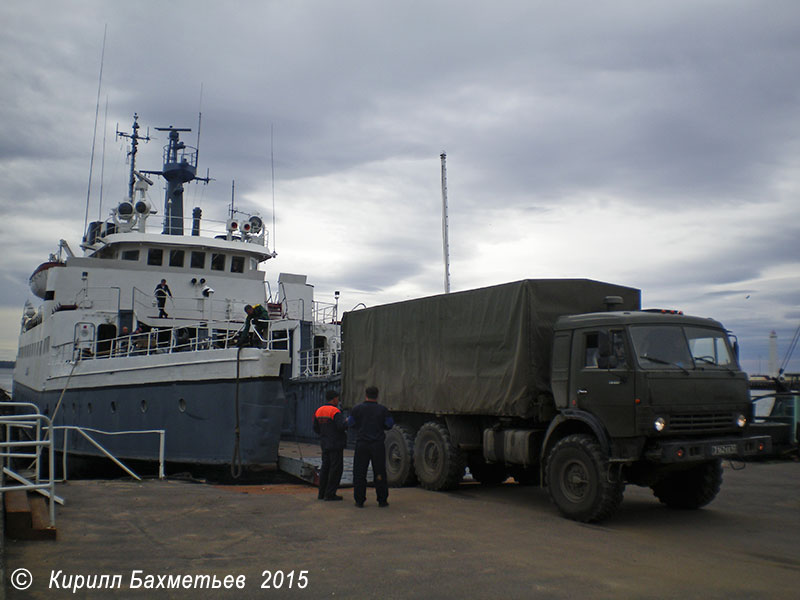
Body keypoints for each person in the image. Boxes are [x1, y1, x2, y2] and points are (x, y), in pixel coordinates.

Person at [347, 386, 394, 508]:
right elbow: (389, 424)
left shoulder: (357, 409)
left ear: (365, 395)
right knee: (379, 472)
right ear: (377, 395)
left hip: (362, 444)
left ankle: (359, 500)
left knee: (359, 473)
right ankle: (382, 500)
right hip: (377, 445)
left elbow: (350, 423)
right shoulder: (382, 410)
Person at [313, 390, 348, 501]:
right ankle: (330, 493)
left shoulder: (319, 411)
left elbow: (315, 428)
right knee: (336, 469)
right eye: (337, 398)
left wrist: (324, 435)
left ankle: (321, 493)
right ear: (334, 399)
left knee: (325, 468)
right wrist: (348, 422)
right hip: (336, 444)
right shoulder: (335, 411)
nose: (338, 400)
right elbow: (341, 426)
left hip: (325, 444)